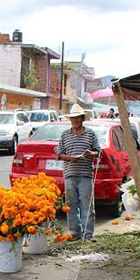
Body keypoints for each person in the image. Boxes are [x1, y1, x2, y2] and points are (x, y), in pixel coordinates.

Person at [54, 103, 101, 242]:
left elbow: (99, 152)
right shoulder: (65, 135)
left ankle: (88, 235)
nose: (75, 121)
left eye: (77, 118)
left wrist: (91, 153)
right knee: (71, 205)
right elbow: (59, 154)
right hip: (70, 175)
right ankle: (75, 233)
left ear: (82, 118)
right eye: (73, 118)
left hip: (85, 175)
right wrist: (70, 158)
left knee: (87, 206)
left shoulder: (90, 134)